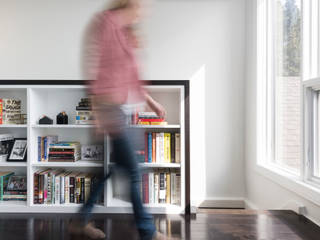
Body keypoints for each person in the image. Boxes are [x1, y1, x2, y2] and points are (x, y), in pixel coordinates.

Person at [69, 0, 175, 239]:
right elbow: (95, 69)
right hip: (110, 109)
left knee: (109, 169)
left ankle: (79, 221)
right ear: (131, 2)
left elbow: (131, 79)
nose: (146, 9)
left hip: (126, 111)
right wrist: (97, 112)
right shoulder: (106, 23)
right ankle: (147, 232)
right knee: (135, 172)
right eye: (143, 4)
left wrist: (152, 103)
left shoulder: (127, 33)